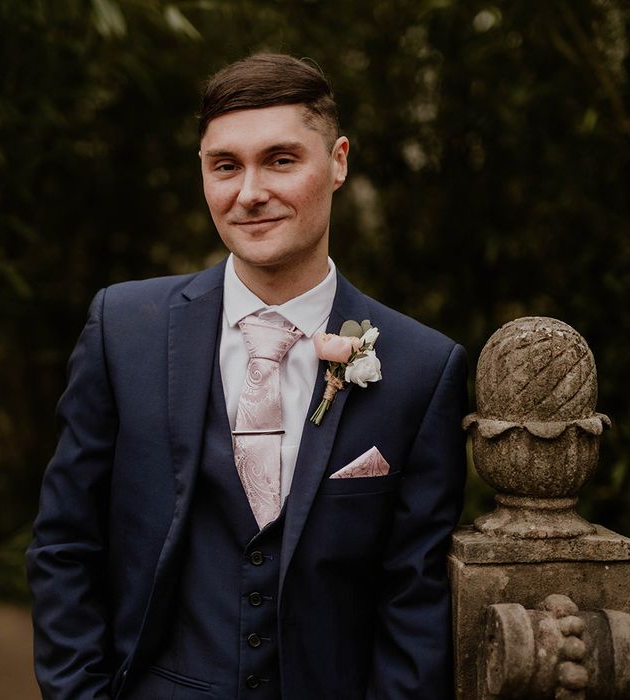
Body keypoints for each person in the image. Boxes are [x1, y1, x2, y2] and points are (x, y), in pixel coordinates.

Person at [26, 53, 467, 700]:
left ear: (338, 161)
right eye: (225, 166)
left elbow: (414, 601)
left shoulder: (424, 367)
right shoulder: (125, 327)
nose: (250, 192)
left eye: (282, 160)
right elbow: (65, 544)